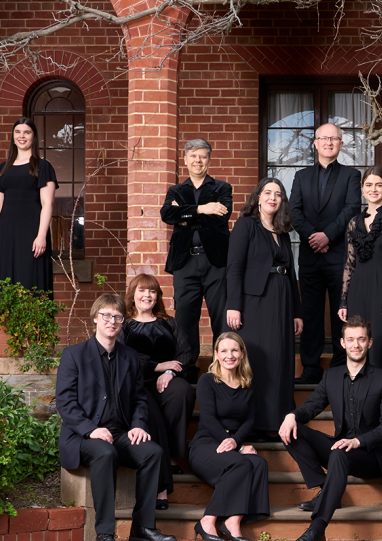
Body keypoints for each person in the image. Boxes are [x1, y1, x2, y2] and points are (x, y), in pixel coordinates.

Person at [55, 294, 177, 541]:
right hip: (83, 436)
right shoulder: (74, 355)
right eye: (106, 316)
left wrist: (138, 425)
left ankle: (142, 528)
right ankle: (105, 533)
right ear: (95, 318)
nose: (112, 321)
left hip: (120, 432)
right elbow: (65, 404)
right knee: (105, 452)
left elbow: (140, 399)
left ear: (123, 322)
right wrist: (91, 429)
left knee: (153, 452)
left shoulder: (129, 356)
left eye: (118, 317)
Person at [278, 316, 382, 541]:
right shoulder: (331, 376)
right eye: (350, 339)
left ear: (369, 343)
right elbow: (311, 407)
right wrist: (291, 415)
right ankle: (327, 490)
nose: (356, 344)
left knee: (339, 454)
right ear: (342, 343)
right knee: (292, 429)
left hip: (370, 455)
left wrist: (358, 441)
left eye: (361, 339)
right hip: (341, 449)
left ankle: (317, 530)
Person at [226, 178, 303, 439]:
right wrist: (233, 306)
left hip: (282, 300)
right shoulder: (246, 225)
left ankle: (277, 421)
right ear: (258, 197)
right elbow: (234, 267)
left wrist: (297, 312)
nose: (273, 197)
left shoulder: (283, 231)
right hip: (254, 302)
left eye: (278, 194)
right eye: (268, 192)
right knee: (259, 359)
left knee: (281, 359)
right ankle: (257, 423)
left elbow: (292, 273)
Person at [289, 123, 362, 383]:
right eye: (324, 138)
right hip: (310, 257)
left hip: (339, 255)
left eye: (334, 138)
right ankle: (310, 367)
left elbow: (352, 208)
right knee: (311, 313)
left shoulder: (351, 175)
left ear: (341, 144)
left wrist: (327, 236)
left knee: (342, 312)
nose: (329, 142)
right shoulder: (301, 176)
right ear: (315, 143)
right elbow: (294, 211)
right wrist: (314, 237)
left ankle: (342, 366)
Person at [118, 274, 196, 510]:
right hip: (137, 383)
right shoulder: (124, 325)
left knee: (181, 392)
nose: (147, 295)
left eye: (152, 291)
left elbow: (185, 353)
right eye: (142, 290)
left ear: (157, 296)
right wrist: (156, 366)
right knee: (151, 412)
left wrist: (169, 372)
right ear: (133, 294)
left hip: (166, 380)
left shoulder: (168, 323)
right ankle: (162, 478)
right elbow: (122, 356)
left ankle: (173, 455)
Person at [188, 332, 269, 541]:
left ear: (242, 354)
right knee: (241, 464)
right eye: (223, 351)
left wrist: (236, 442)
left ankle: (233, 520)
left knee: (259, 463)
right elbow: (208, 419)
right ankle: (208, 520)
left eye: (234, 350)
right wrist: (237, 446)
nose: (229, 355)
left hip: (232, 444)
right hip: (206, 444)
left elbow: (250, 419)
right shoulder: (207, 380)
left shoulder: (247, 383)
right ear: (216, 354)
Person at [160, 138, 232, 381]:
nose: (198, 160)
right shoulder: (175, 190)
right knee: (184, 318)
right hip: (185, 262)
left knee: (220, 317)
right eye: (193, 156)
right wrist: (202, 209)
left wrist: (184, 214)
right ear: (185, 159)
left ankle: (222, 368)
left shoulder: (222, 188)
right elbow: (167, 215)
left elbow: (220, 218)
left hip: (216, 262)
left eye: (202, 156)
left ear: (209, 160)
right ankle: (187, 370)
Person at [338, 166, 382, 369]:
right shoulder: (353, 223)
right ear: (362, 188)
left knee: (380, 346)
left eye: (378, 185)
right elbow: (349, 263)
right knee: (357, 344)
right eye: (368, 185)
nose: (373, 189)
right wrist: (343, 301)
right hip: (357, 289)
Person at [0, 117, 57, 294]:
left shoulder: (43, 166)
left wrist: (41, 236)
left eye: (27, 132)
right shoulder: (3, 168)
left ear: (34, 136)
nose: (21, 136)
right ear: (13, 136)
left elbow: (47, 203)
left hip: (32, 231)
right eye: (17, 132)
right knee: (6, 283)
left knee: (32, 279)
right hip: (6, 233)